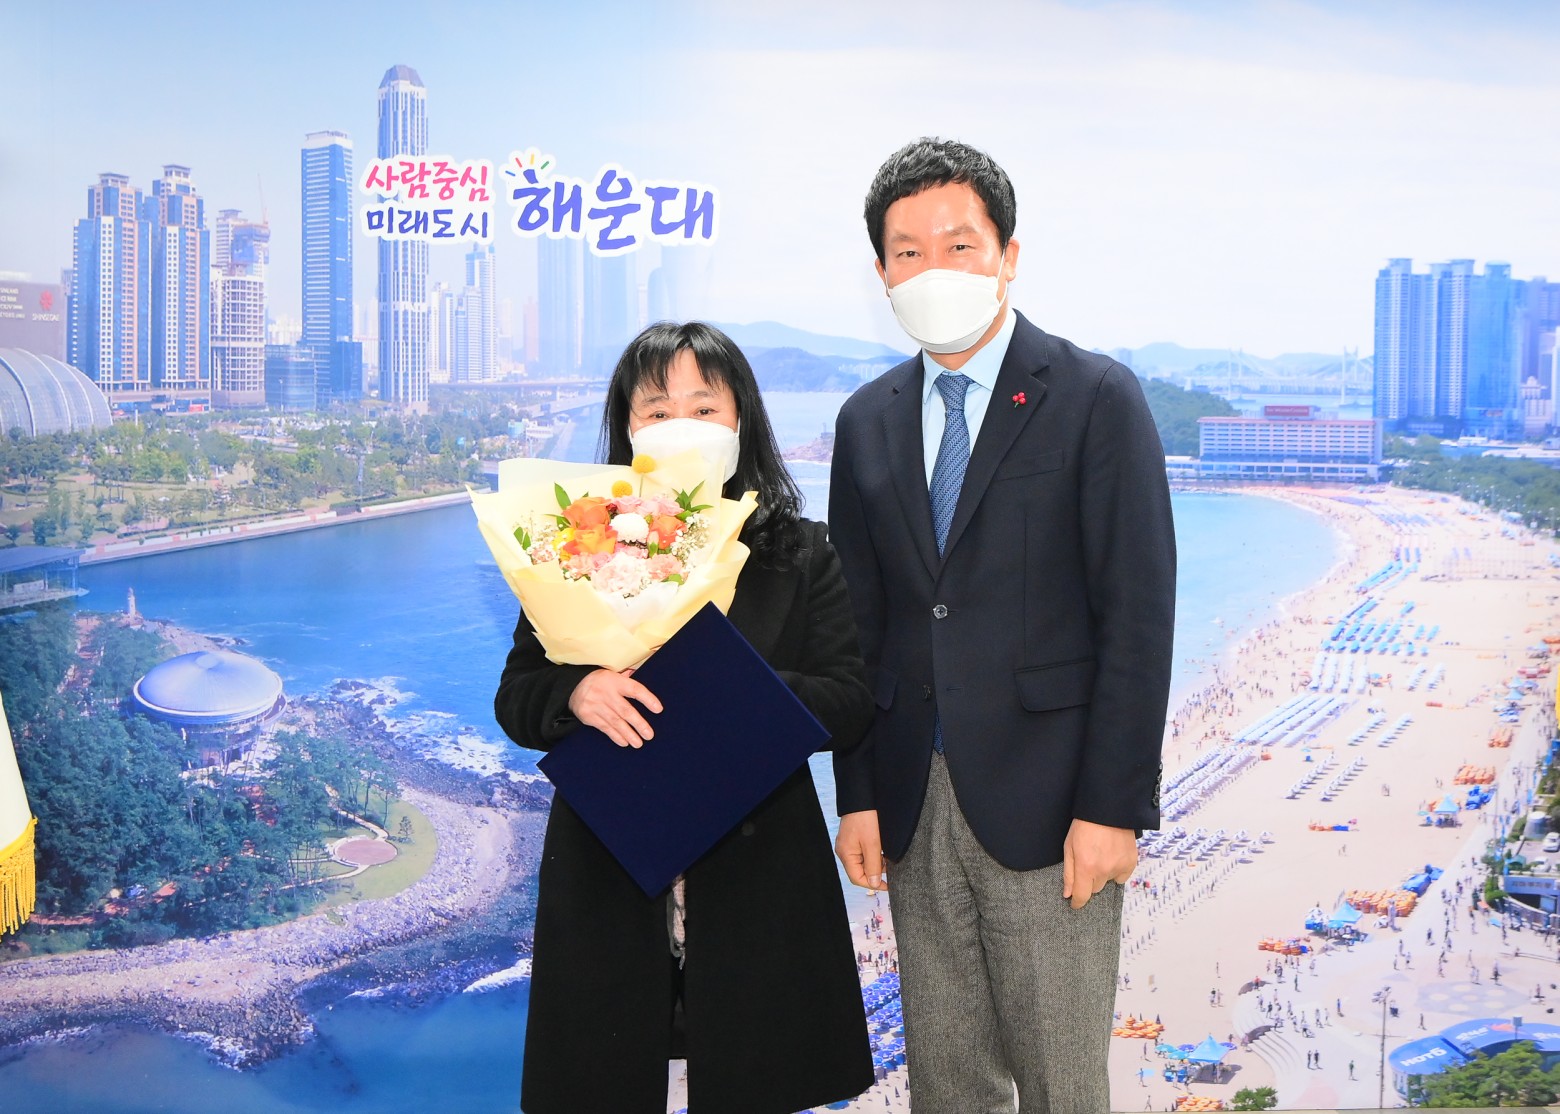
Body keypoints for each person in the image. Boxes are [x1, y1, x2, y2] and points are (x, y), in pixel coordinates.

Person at [830, 138, 1176, 1112]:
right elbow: (859, 625)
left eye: (959, 245)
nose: (932, 269)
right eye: (908, 252)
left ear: (1008, 255)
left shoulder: (1095, 398)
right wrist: (857, 793)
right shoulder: (865, 421)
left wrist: (1114, 807)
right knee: (947, 1082)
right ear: (882, 273)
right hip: (913, 800)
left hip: (1054, 804)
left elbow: (1138, 617)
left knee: (1063, 1084)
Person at [495, 322, 875, 1114]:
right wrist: (576, 693)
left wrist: (733, 693)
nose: (681, 427)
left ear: (742, 422)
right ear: (627, 429)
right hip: (608, 871)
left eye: (704, 408)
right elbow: (518, 697)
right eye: (657, 410)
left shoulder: (800, 551)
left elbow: (849, 699)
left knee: (753, 1083)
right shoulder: (578, 546)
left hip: (758, 878)